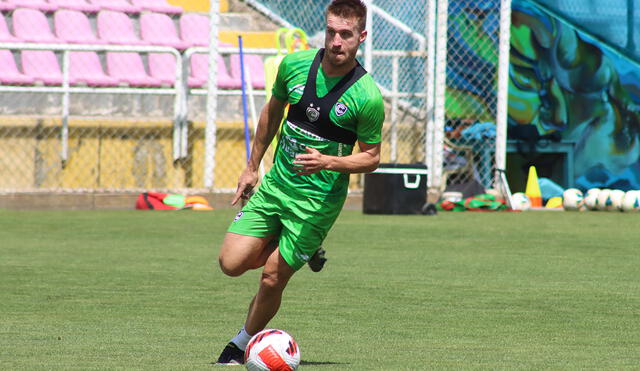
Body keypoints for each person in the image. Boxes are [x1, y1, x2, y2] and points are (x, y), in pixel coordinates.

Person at [215, 0, 385, 365]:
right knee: (230, 263)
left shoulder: (367, 96)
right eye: (331, 32)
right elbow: (272, 113)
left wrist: (330, 161)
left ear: (362, 37)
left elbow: (371, 157)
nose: (336, 42)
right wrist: (252, 167)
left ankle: (241, 343)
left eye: (346, 34)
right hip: (276, 186)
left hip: (316, 203)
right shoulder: (294, 66)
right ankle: (295, 247)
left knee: (273, 276)